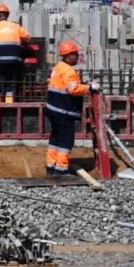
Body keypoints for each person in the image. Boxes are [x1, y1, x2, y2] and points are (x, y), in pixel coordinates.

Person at [44, 41, 99, 176]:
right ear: (68, 56)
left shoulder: (58, 67)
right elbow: (72, 89)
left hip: (53, 109)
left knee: (55, 139)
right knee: (66, 140)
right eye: (75, 54)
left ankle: (51, 167)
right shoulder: (68, 70)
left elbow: (65, 85)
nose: (77, 57)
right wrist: (90, 87)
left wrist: (84, 84)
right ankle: (61, 170)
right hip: (63, 111)